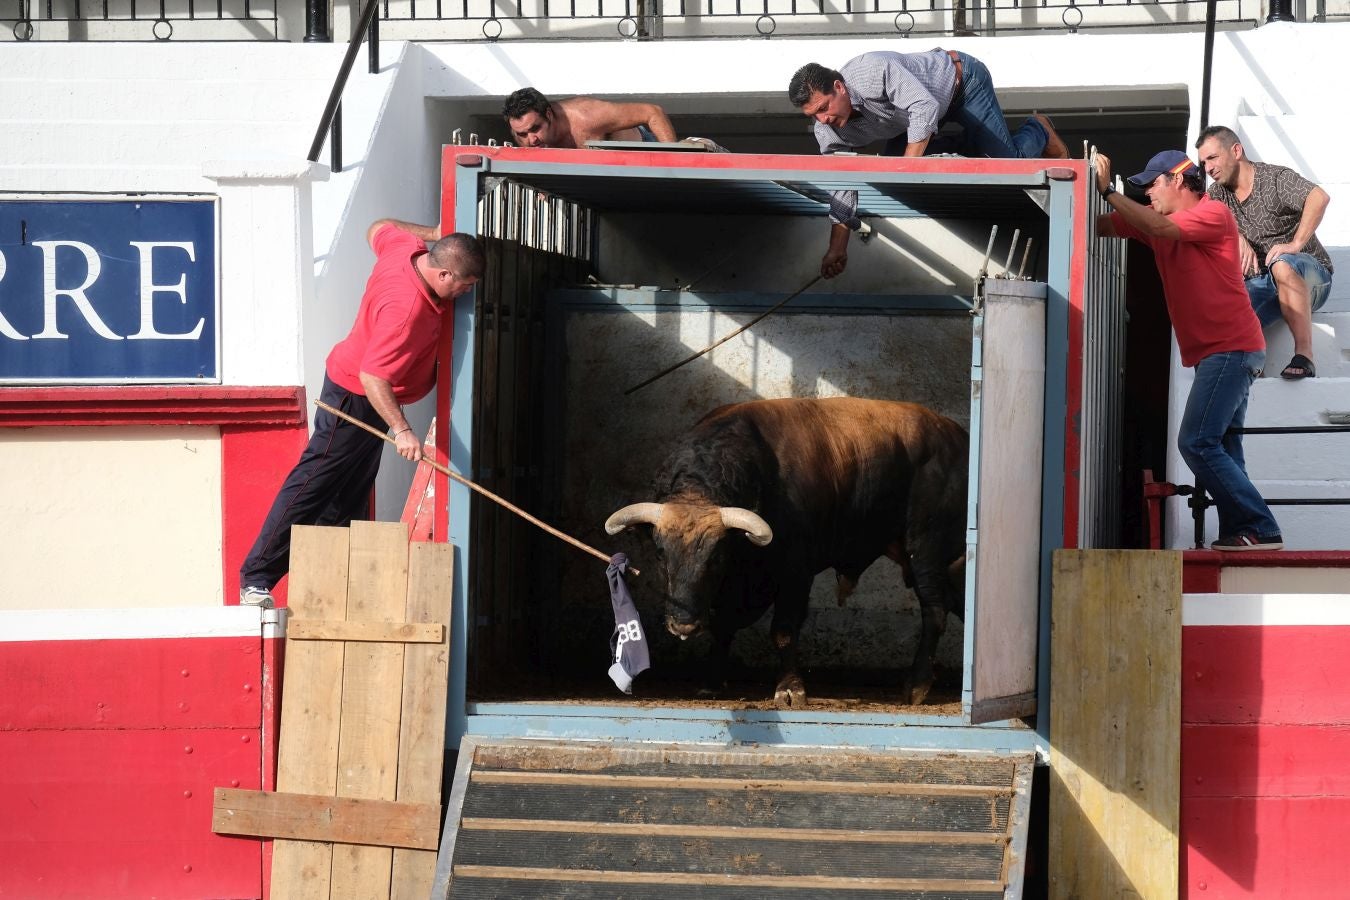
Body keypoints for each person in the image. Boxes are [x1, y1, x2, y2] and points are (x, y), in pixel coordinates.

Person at [237, 219, 485, 606]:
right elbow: (374, 376)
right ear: (443, 272)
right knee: (313, 484)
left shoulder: (405, 250)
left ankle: (327, 584)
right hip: (355, 396)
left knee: (350, 494)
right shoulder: (406, 312)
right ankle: (256, 577)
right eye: (464, 285)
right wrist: (401, 430)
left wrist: (433, 235)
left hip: (367, 394)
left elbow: (378, 227)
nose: (466, 293)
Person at [1095, 149, 1281, 551]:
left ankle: (1260, 526)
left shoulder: (1213, 214)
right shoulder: (1157, 224)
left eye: (1152, 185)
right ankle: (1243, 532)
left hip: (1231, 348)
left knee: (1195, 441)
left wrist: (1109, 190)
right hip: (1222, 351)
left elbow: (1151, 227)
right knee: (1225, 446)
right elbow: (1102, 227)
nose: (1147, 195)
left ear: (1178, 180)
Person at [788, 51, 1070, 279]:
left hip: (961, 85)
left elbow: (924, 107)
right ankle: (980, 142)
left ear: (839, 87)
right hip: (907, 119)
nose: (822, 119)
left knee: (1010, 166)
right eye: (814, 115)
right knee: (912, 163)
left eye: (824, 107)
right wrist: (837, 248)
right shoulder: (827, 131)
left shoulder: (872, 70)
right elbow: (843, 183)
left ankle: (1038, 129)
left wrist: (907, 168)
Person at [1195, 125, 1334, 380]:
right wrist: (1234, 235)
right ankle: (1247, 368)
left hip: (1311, 277)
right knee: (1226, 310)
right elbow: (1204, 222)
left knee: (1282, 263)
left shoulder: (1274, 178)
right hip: (1265, 282)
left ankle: (1304, 356)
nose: (1208, 168)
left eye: (1213, 158)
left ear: (1236, 150)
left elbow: (1319, 197)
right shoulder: (1217, 194)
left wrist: (1294, 245)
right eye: (1203, 163)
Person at [502, 88, 677, 148]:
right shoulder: (522, 131)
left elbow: (653, 112)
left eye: (535, 128)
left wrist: (676, 166)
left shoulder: (588, 116)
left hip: (642, 148)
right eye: (522, 134)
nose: (531, 139)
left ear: (548, 115)